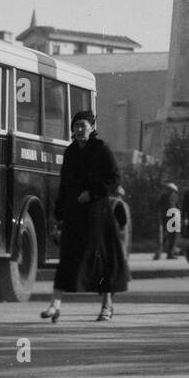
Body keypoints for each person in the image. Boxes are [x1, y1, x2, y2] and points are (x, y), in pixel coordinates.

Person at [42, 111, 128, 322]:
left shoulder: (101, 149)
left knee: (101, 259)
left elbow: (114, 178)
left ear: (92, 127)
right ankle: (55, 304)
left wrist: (93, 192)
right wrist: (58, 214)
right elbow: (64, 184)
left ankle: (107, 305)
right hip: (73, 214)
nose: (79, 130)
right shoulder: (70, 152)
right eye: (76, 126)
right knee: (68, 258)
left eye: (83, 125)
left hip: (97, 214)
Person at [154, 181, 181, 260]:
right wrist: (159, 217)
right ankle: (159, 252)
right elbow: (158, 207)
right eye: (168, 189)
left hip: (175, 216)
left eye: (170, 189)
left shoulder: (175, 196)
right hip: (166, 217)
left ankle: (171, 253)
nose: (169, 190)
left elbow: (178, 206)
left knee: (174, 236)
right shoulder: (163, 197)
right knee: (165, 236)